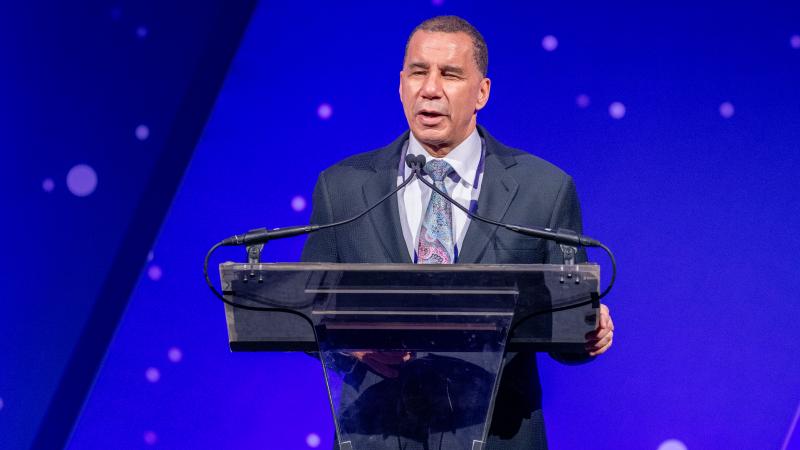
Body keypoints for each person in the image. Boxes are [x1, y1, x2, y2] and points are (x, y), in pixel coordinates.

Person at [302, 15, 614, 450]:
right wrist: (355, 349)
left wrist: (587, 327)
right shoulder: (343, 187)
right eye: (417, 72)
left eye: (449, 74)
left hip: (498, 436)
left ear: (482, 92)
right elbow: (307, 311)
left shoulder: (543, 189)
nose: (430, 89)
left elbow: (565, 332)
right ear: (400, 84)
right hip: (378, 433)